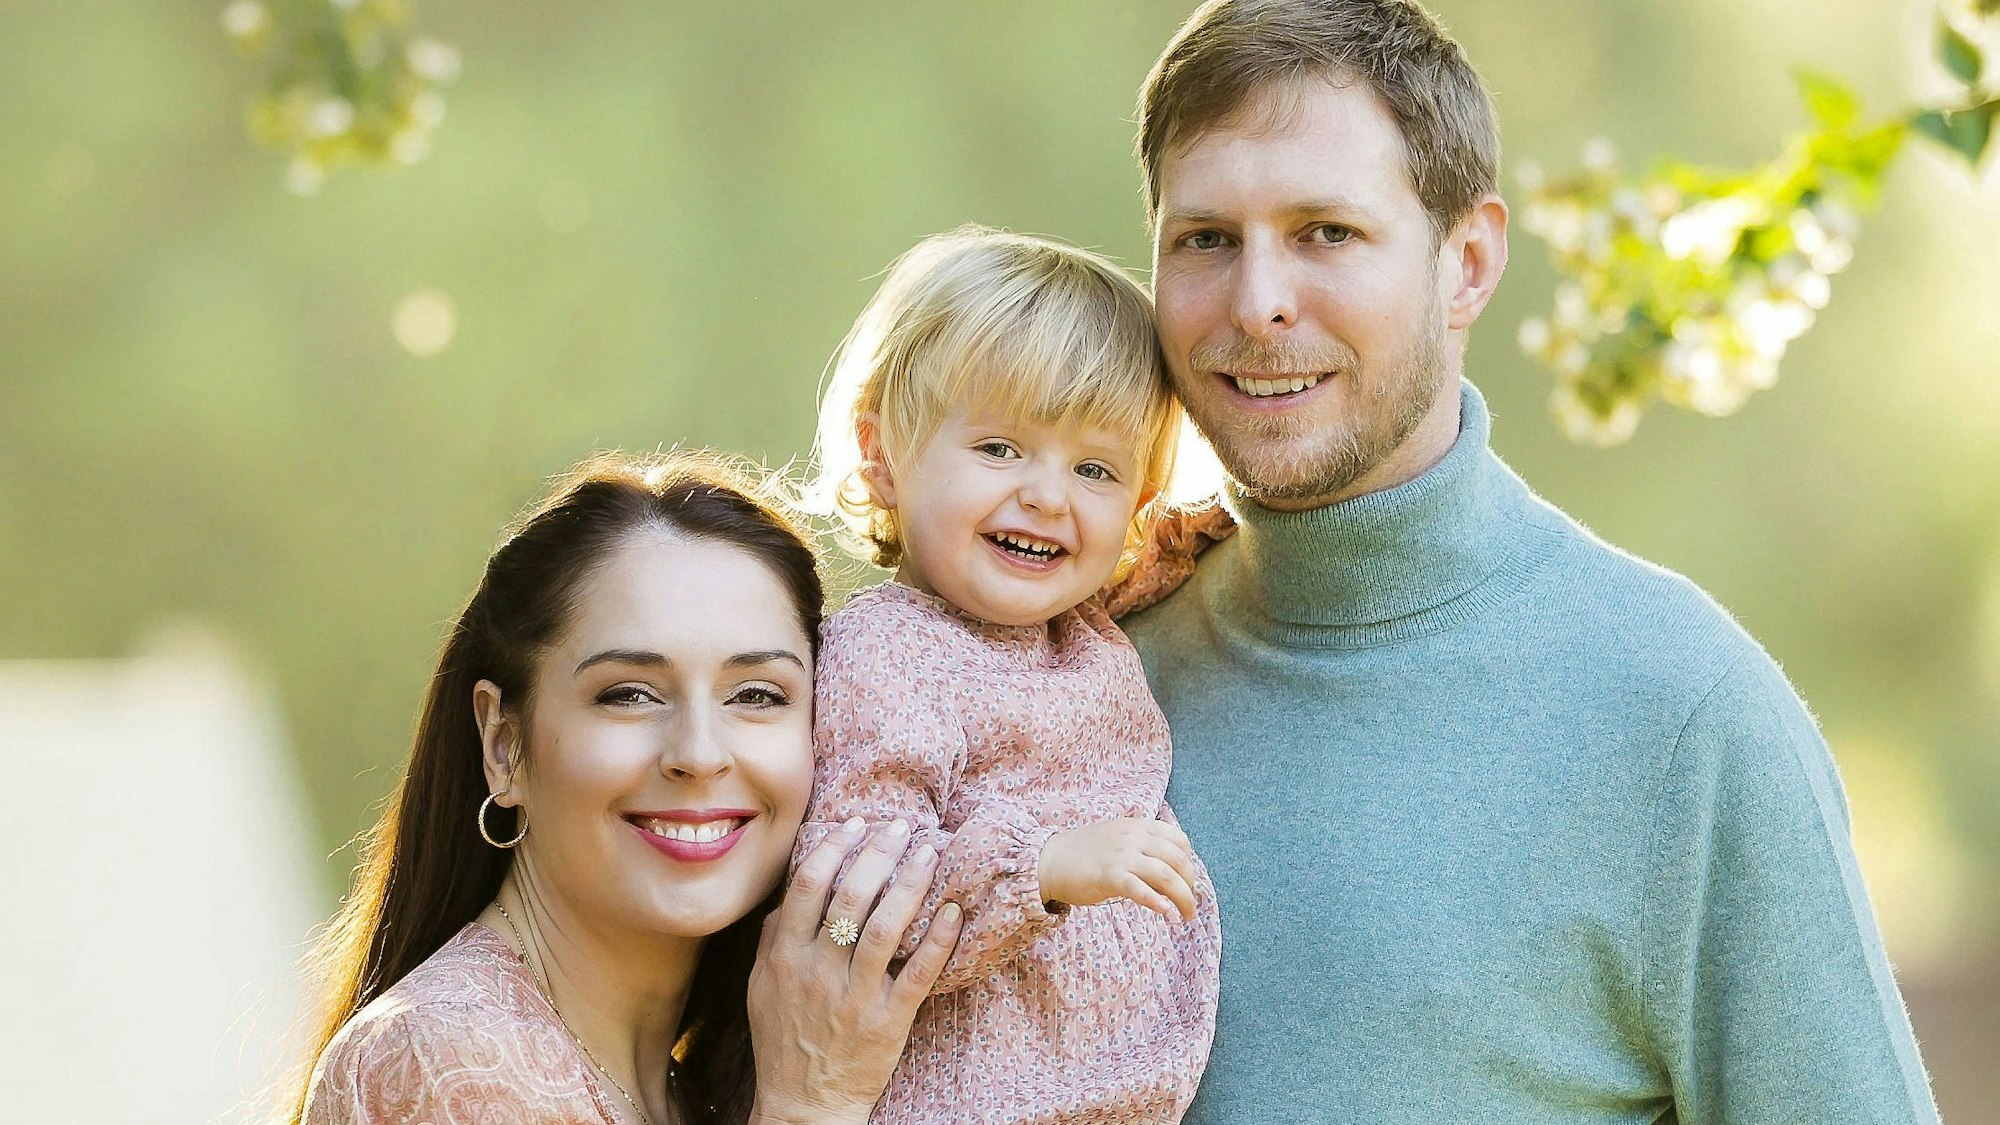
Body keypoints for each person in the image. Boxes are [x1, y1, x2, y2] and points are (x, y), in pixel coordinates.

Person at [1120, 1, 1943, 1122]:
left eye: (1326, 232)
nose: (1257, 301)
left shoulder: (1679, 717)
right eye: (1205, 239)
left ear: (1466, 264)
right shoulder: (1083, 670)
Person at [288, 452, 964, 1125]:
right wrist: (809, 1107)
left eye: (757, 694)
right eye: (629, 694)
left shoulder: (692, 1089)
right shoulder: (444, 1062)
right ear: (504, 744)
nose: (698, 753)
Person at [797, 226, 1225, 1122]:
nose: (1048, 495)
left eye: (1095, 468)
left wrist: (1220, 533)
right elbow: (855, 908)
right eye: (999, 448)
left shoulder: (1071, 626)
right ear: (882, 456)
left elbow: (1128, 563)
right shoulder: (891, 655)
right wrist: (1044, 866)